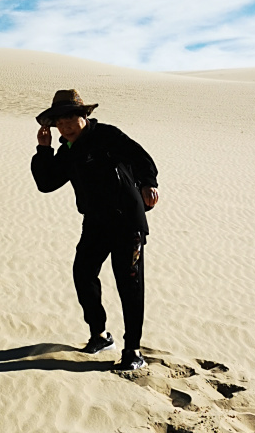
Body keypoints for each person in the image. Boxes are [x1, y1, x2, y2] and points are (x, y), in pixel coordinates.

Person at [31, 89, 159, 372]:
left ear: (84, 116)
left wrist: (149, 182)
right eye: (58, 122)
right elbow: (46, 182)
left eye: (69, 119)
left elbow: (141, 157)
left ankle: (133, 349)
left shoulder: (107, 136)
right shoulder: (67, 150)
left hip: (127, 222)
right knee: (83, 273)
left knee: (129, 285)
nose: (64, 126)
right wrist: (44, 149)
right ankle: (100, 335)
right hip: (95, 223)